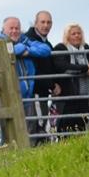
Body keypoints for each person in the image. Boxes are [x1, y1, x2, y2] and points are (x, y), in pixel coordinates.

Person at [0, 17, 51, 144]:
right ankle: (8, 162)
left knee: (29, 132)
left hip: (26, 96)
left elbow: (46, 49)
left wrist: (27, 51)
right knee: (8, 135)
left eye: (17, 28)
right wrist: (19, 48)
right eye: (11, 28)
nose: (14, 31)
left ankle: (27, 161)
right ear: (4, 29)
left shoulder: (24, 40)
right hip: (5, 97)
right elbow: (8, 52)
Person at [52, 23, 89, 135]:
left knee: (82, 125)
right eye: (73, 33)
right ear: (67, 36)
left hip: (85, 95)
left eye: (79, 33)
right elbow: (63, 66)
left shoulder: (86, 48)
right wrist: (85, 68)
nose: (77, 36)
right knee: (66, 127)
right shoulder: (61, 48)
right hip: (67, 97)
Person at [24, 11, 61, 145]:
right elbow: (37, 70)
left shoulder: (47, 43)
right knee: (37, 126)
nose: (46, 25)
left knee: (41, 123)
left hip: (43, 91)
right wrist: (52, 85)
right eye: (43, 22)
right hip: (34, 92)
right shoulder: (29, 41)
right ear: (35, 23)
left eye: (49, 22)